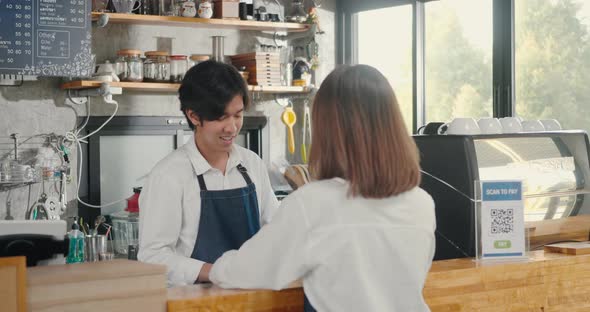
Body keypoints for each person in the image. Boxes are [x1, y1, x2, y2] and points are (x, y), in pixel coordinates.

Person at [206, 64, 436, 311]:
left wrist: (213, 268)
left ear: (329, 129)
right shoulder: (422, 203)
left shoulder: (313, 203)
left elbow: (245, 271)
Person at [138, 60, 279, 286]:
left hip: (252, 297)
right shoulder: (169, 175)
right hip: (194, 303)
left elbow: (275, 231)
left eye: (238, 115)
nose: (232, 127)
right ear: (194, 116)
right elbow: (153, 257)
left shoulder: (251, 165)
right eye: (221, 117)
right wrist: (217, 272)